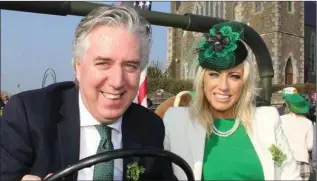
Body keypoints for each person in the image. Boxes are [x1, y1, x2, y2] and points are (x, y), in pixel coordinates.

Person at [0, 5, 176, 181]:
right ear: (78, 66)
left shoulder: (150, 127)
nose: (117, 81)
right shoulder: (28, 116)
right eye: (103, 63)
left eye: (130, 65)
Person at [163, 22, 300, 180]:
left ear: (244, 83)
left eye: (234, 76)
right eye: (214, 74)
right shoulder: (176, 121)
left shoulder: (267, 119)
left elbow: (290, 175)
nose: (223, 86)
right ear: (202, 80)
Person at [280, 88, 314, 181]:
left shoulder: (280, 119)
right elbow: (310, 146)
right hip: (302, 160)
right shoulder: (308, 123)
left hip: (285, 159)